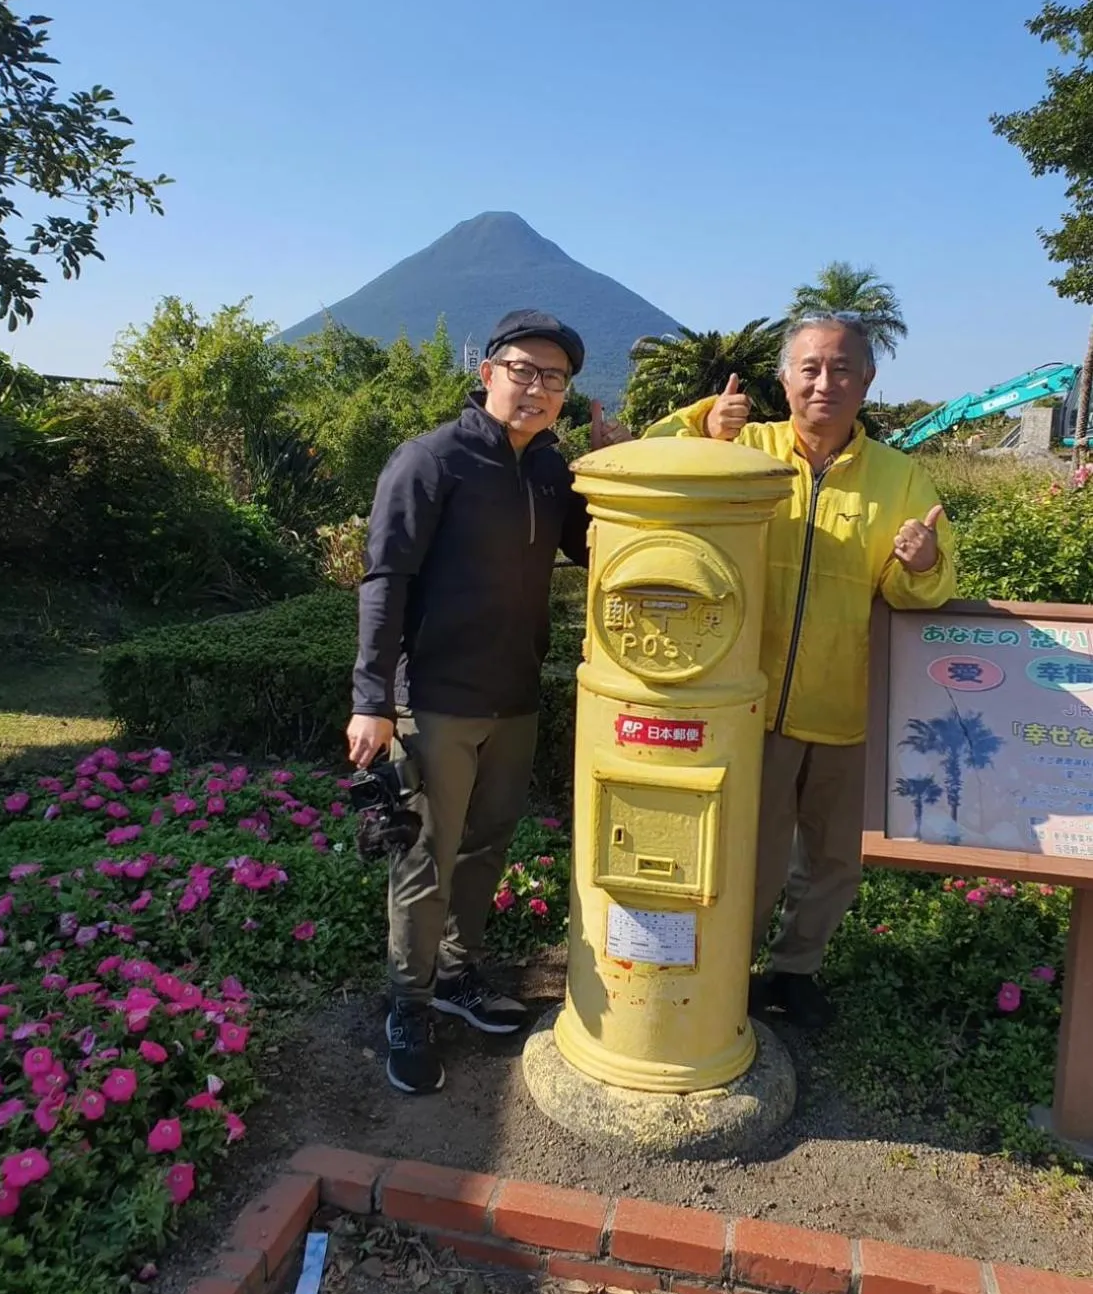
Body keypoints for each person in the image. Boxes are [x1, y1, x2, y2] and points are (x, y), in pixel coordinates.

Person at [644, 312, 956, 1028]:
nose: (825, 381)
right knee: (740, 857)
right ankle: (723, 973)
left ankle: (794, 970)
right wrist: (700, 422)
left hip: (846, 706)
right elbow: (643, 459)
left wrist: (923, 561)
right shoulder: (741, 448)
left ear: (867, 381)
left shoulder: (899, 477)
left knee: (833, 859)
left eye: (842, 368)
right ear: (783, 378)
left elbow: (927, 587)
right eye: (809, 367)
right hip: (744, 706)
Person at [347, 309, 629, 1094]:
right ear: (487, 373)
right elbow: (385, 581)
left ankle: (457, 971)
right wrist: (371, 699)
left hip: (514, 696)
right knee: (423, 859)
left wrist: (612, 469)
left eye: (554, 379)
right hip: (434, 696)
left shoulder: (550, 468)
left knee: (484, 846)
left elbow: (597, 542)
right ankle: (408, 1000)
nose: (537, 388)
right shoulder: (431, 460)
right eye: (523, 370)